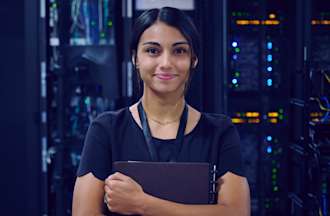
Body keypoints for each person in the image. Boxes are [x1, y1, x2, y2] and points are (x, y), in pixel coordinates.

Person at [72, 7, 250, 216]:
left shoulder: (219, 132)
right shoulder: (106, 129)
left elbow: (237, 212)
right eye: (153, 51)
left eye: (179, 51)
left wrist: (142, 203)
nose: (166, 63)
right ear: (135, 58)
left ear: (194, 60)